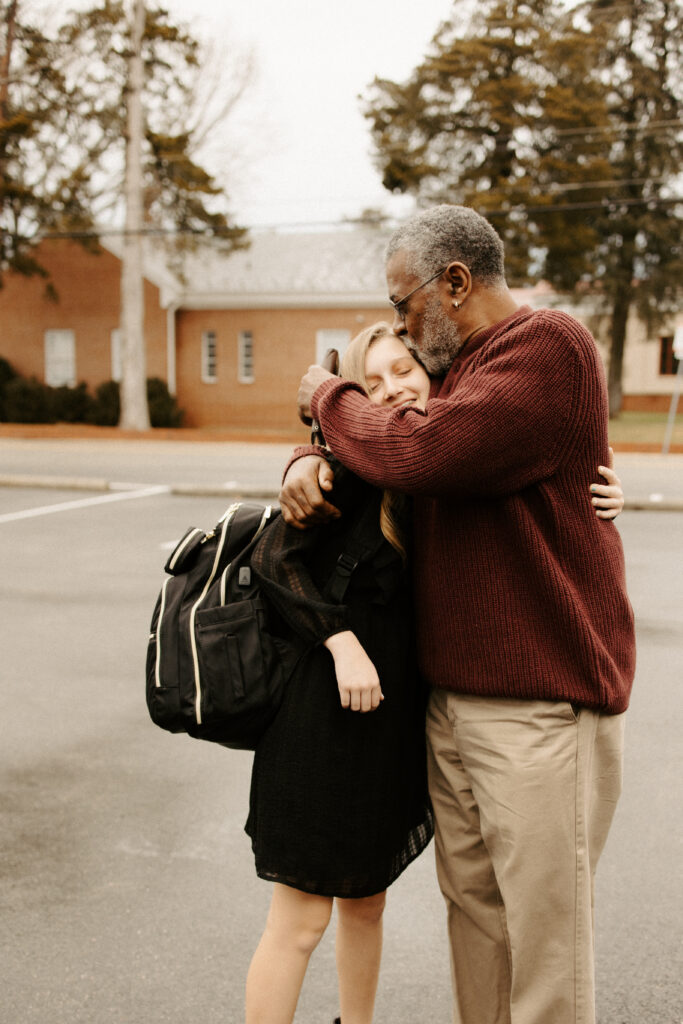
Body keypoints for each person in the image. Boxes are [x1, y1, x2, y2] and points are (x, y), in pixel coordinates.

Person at [281, 205, 636, 1024]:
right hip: (453, 704)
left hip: (541, 707)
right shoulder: (457, 374)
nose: (401, 325)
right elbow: (393, 431)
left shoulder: (547, 347)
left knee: (545, 950)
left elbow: (426, 449)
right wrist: (308, 452)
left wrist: (324, 398)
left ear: (455, 283)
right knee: (475, 924)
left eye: (405, 305)